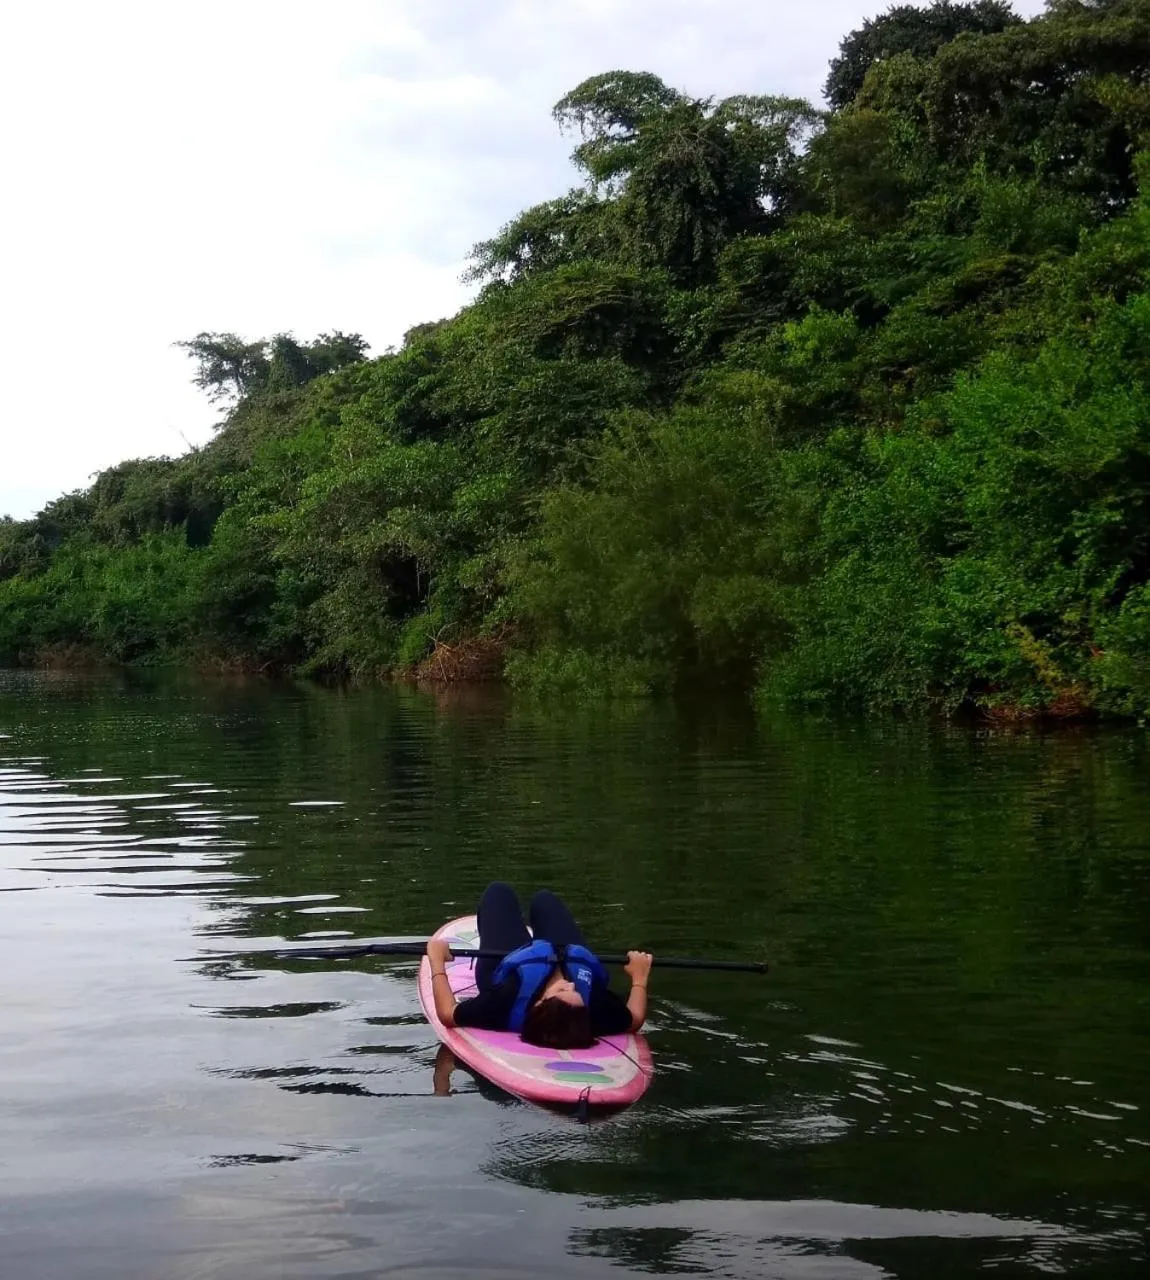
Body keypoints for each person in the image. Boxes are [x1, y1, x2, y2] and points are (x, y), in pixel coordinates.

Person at [425, 881, 653, 1049]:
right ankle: (534, 937)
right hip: (565, 954)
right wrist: (639, 976)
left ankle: (523, 937)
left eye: (562, 990)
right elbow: (633, 1019)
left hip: (505, 964)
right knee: (545, 900)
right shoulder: (591, 1005)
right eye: (575, 992)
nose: (571, 985)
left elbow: (447, 1013)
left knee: (499, 893)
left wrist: (436, 960)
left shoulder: (503, 1001)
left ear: (539, 1004)